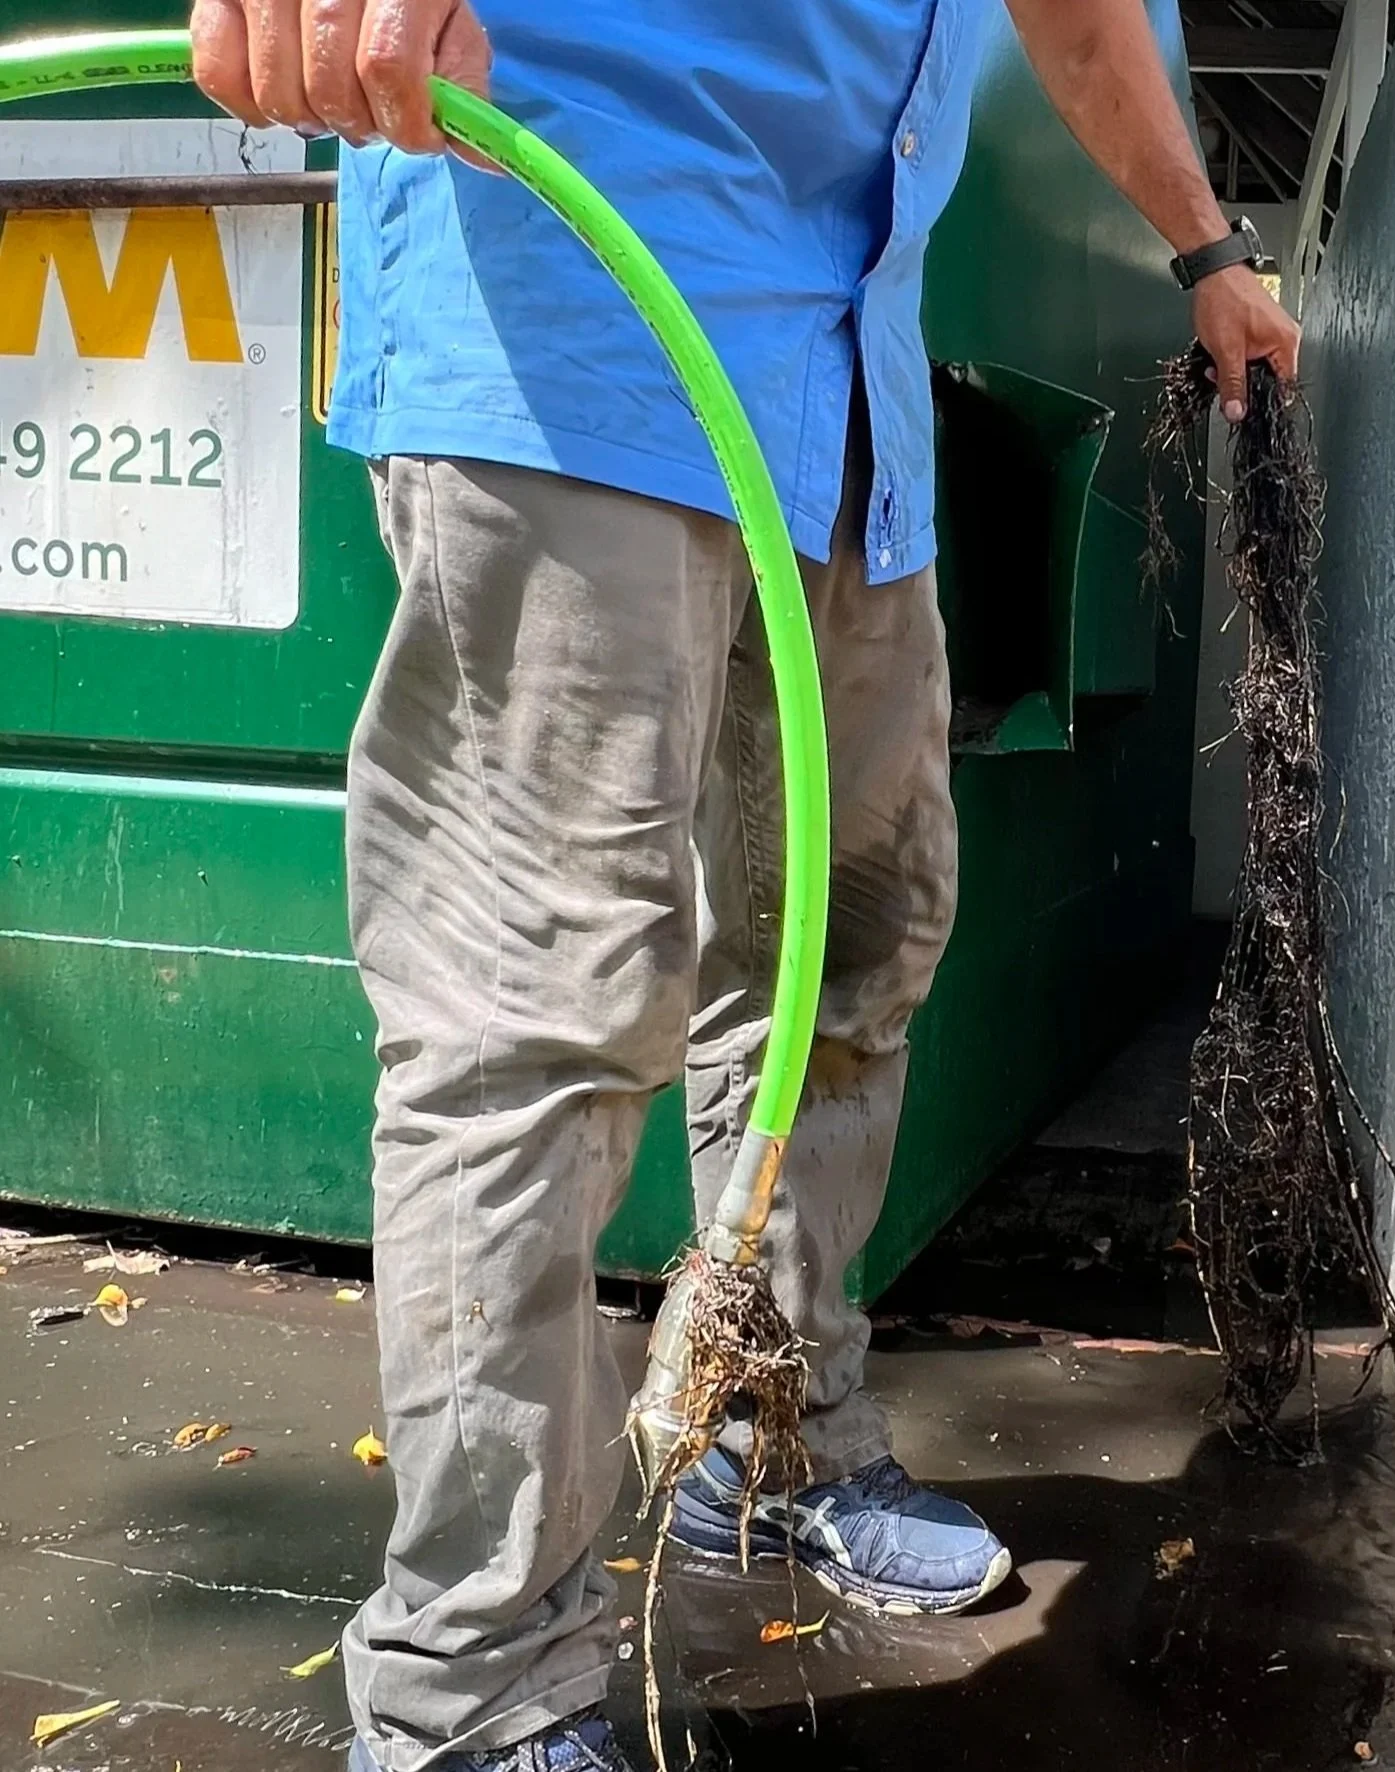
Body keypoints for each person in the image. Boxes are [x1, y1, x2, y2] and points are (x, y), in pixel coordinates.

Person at [189, 1, 1299, 1766]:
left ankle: (764, 1445)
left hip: (849, 402)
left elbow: (1078, 16)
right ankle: (472, 1680)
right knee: (536, 1009)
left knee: (848, 961)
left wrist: (1205, 252)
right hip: (573, 330)